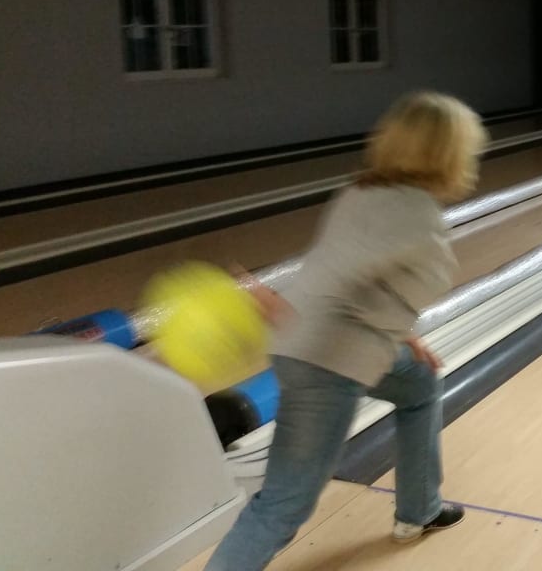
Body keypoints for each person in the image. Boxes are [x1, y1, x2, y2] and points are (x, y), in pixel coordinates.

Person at [206, 91, 488, 571]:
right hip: (327, 362)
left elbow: (349, 277)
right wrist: (290, 307)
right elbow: (387, 282)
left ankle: (419, 509)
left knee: (419, 383)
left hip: (319, 344)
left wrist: (399, 334)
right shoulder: (419, 218)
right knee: (283, 505)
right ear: (449, 155)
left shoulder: (359, 191)